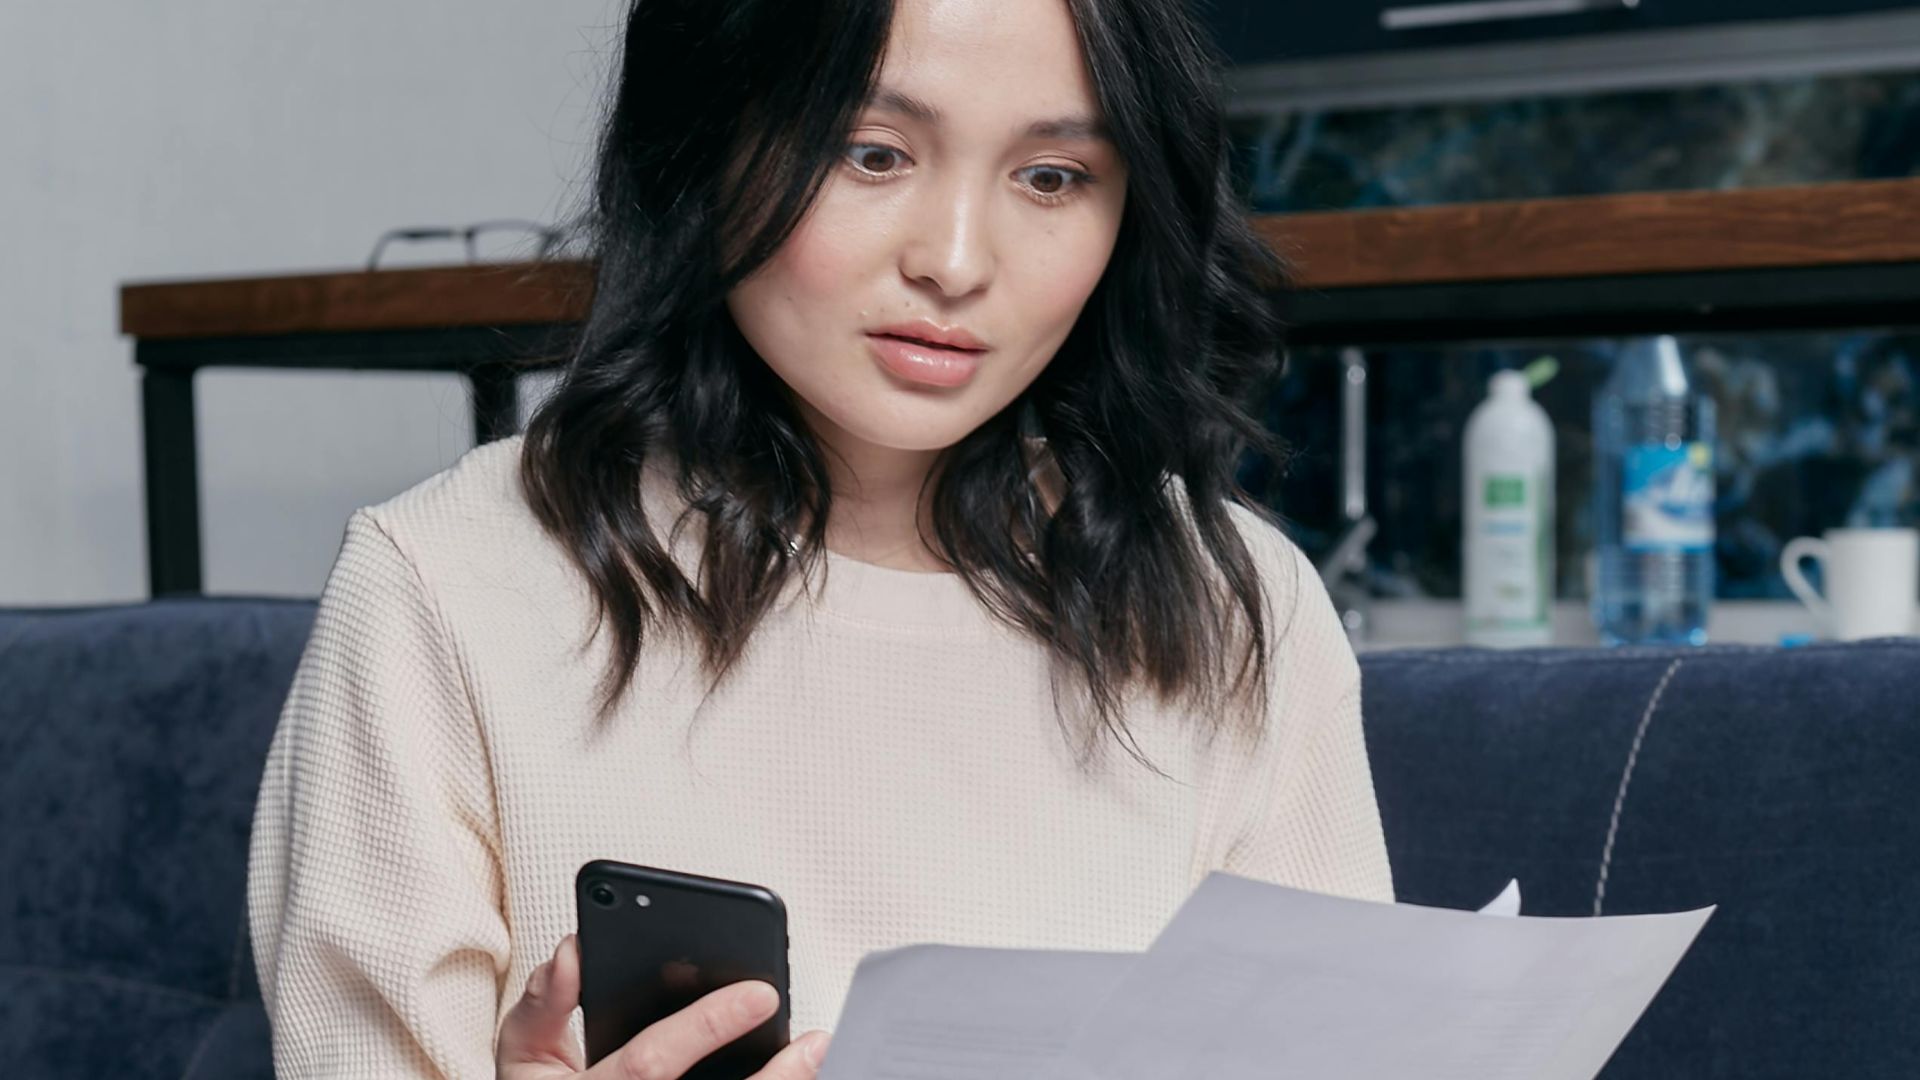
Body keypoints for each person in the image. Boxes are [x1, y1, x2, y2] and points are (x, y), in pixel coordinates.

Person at [245, 0, 1395, 1076]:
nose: (955, 259)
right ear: (708, 141)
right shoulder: (447, 582)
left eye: (1052, 177)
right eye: (874, 153)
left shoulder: (1236, 603)